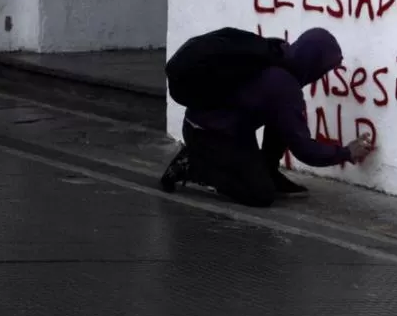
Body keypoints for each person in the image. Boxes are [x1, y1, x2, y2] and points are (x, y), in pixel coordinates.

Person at [159, 27, 374, 206]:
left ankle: (268, 171)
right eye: (324, 69)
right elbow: (303, 149)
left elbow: (284, 125)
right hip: (209, 133)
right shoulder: (283, 85)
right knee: (260, 195)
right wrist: (346, 152)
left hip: (228, 129)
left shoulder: (277, 55)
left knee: (283, 120)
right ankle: (192, 165)